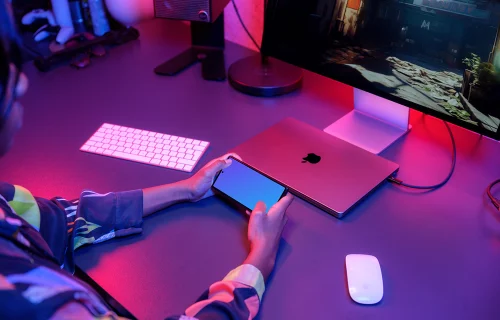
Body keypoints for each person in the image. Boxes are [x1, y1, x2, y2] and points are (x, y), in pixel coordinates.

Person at [0, 1, 294, 319]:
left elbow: (60, 221)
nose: (23, 83)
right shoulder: (30, 304)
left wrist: (187, 188)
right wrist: (261, 258)